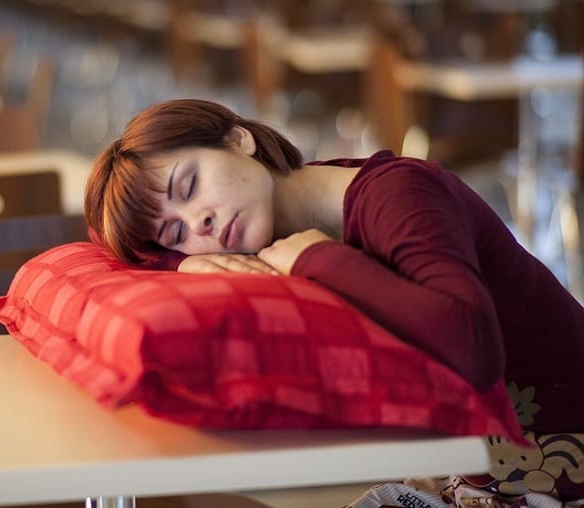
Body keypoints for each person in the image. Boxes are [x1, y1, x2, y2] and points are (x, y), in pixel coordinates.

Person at [84, 98, 584, 435]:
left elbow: (473, 350)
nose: (201, 223)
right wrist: (182, 265)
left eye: (189, 185)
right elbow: (117, 245)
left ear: (239, 140)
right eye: (177, 232)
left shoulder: (397, 194)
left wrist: (315, 258)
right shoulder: (268, 216)